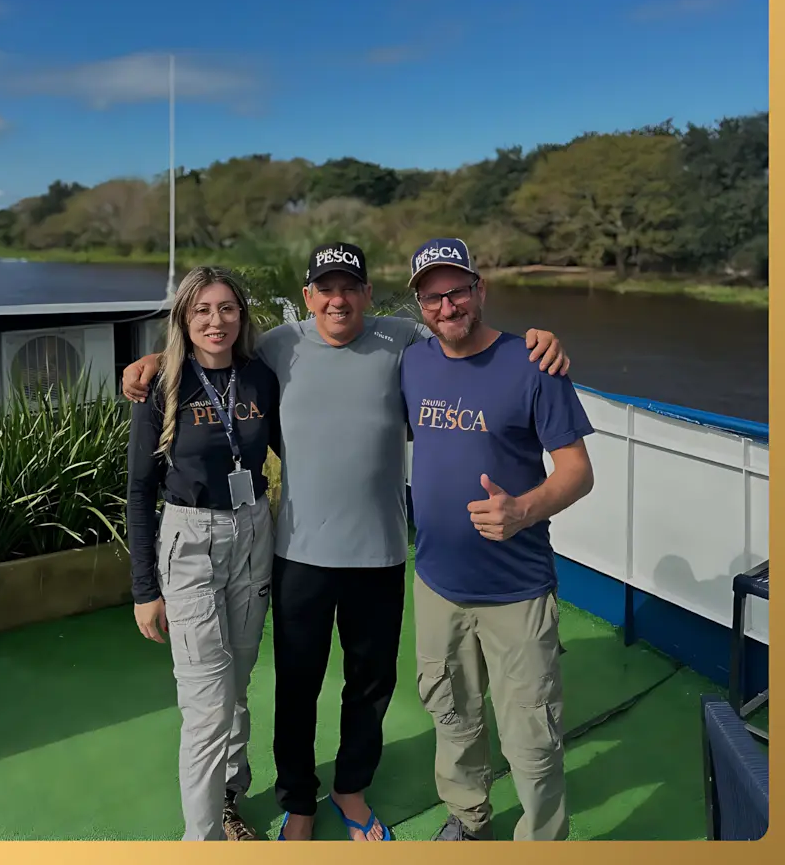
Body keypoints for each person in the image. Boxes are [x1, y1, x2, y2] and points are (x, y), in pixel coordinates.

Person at [122, 242, 571, 842]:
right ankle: (298, 800)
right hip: (296, 553)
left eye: (349, 288)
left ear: (367, 294)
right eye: (325, 289)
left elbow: (469, 339)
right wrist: (153, 362)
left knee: (370, 684)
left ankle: (350, 788)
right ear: (308, 297)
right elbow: (212, 353)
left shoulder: (404, 341)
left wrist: (541, 339)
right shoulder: (279, 346)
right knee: (297, 686)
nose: (337, 299)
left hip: (381, 554)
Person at [400, 238, 595, 842]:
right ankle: (468, 818)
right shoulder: (412, 363)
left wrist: (524, 510)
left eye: (458, 290)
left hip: (516, 589)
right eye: (433, 296)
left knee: (531, 739)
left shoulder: (533, 363)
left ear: (480, 290)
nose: (447, 305)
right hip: (436, 583)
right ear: (420, 306)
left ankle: (542, 842)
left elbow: (577, 471)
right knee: (452, 716)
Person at [127, 265, 280, 842]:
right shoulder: (162, 385)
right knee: (207, 703)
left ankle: (229, 798)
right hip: (189, 542)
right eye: (202, 311)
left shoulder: (261, 378)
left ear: (242, 316)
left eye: (227, 309)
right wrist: (145, 589)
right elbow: (140, 491)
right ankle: (204, 839)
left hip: (253, 534)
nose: (216, 322)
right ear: (184, 320)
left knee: (236, 685)